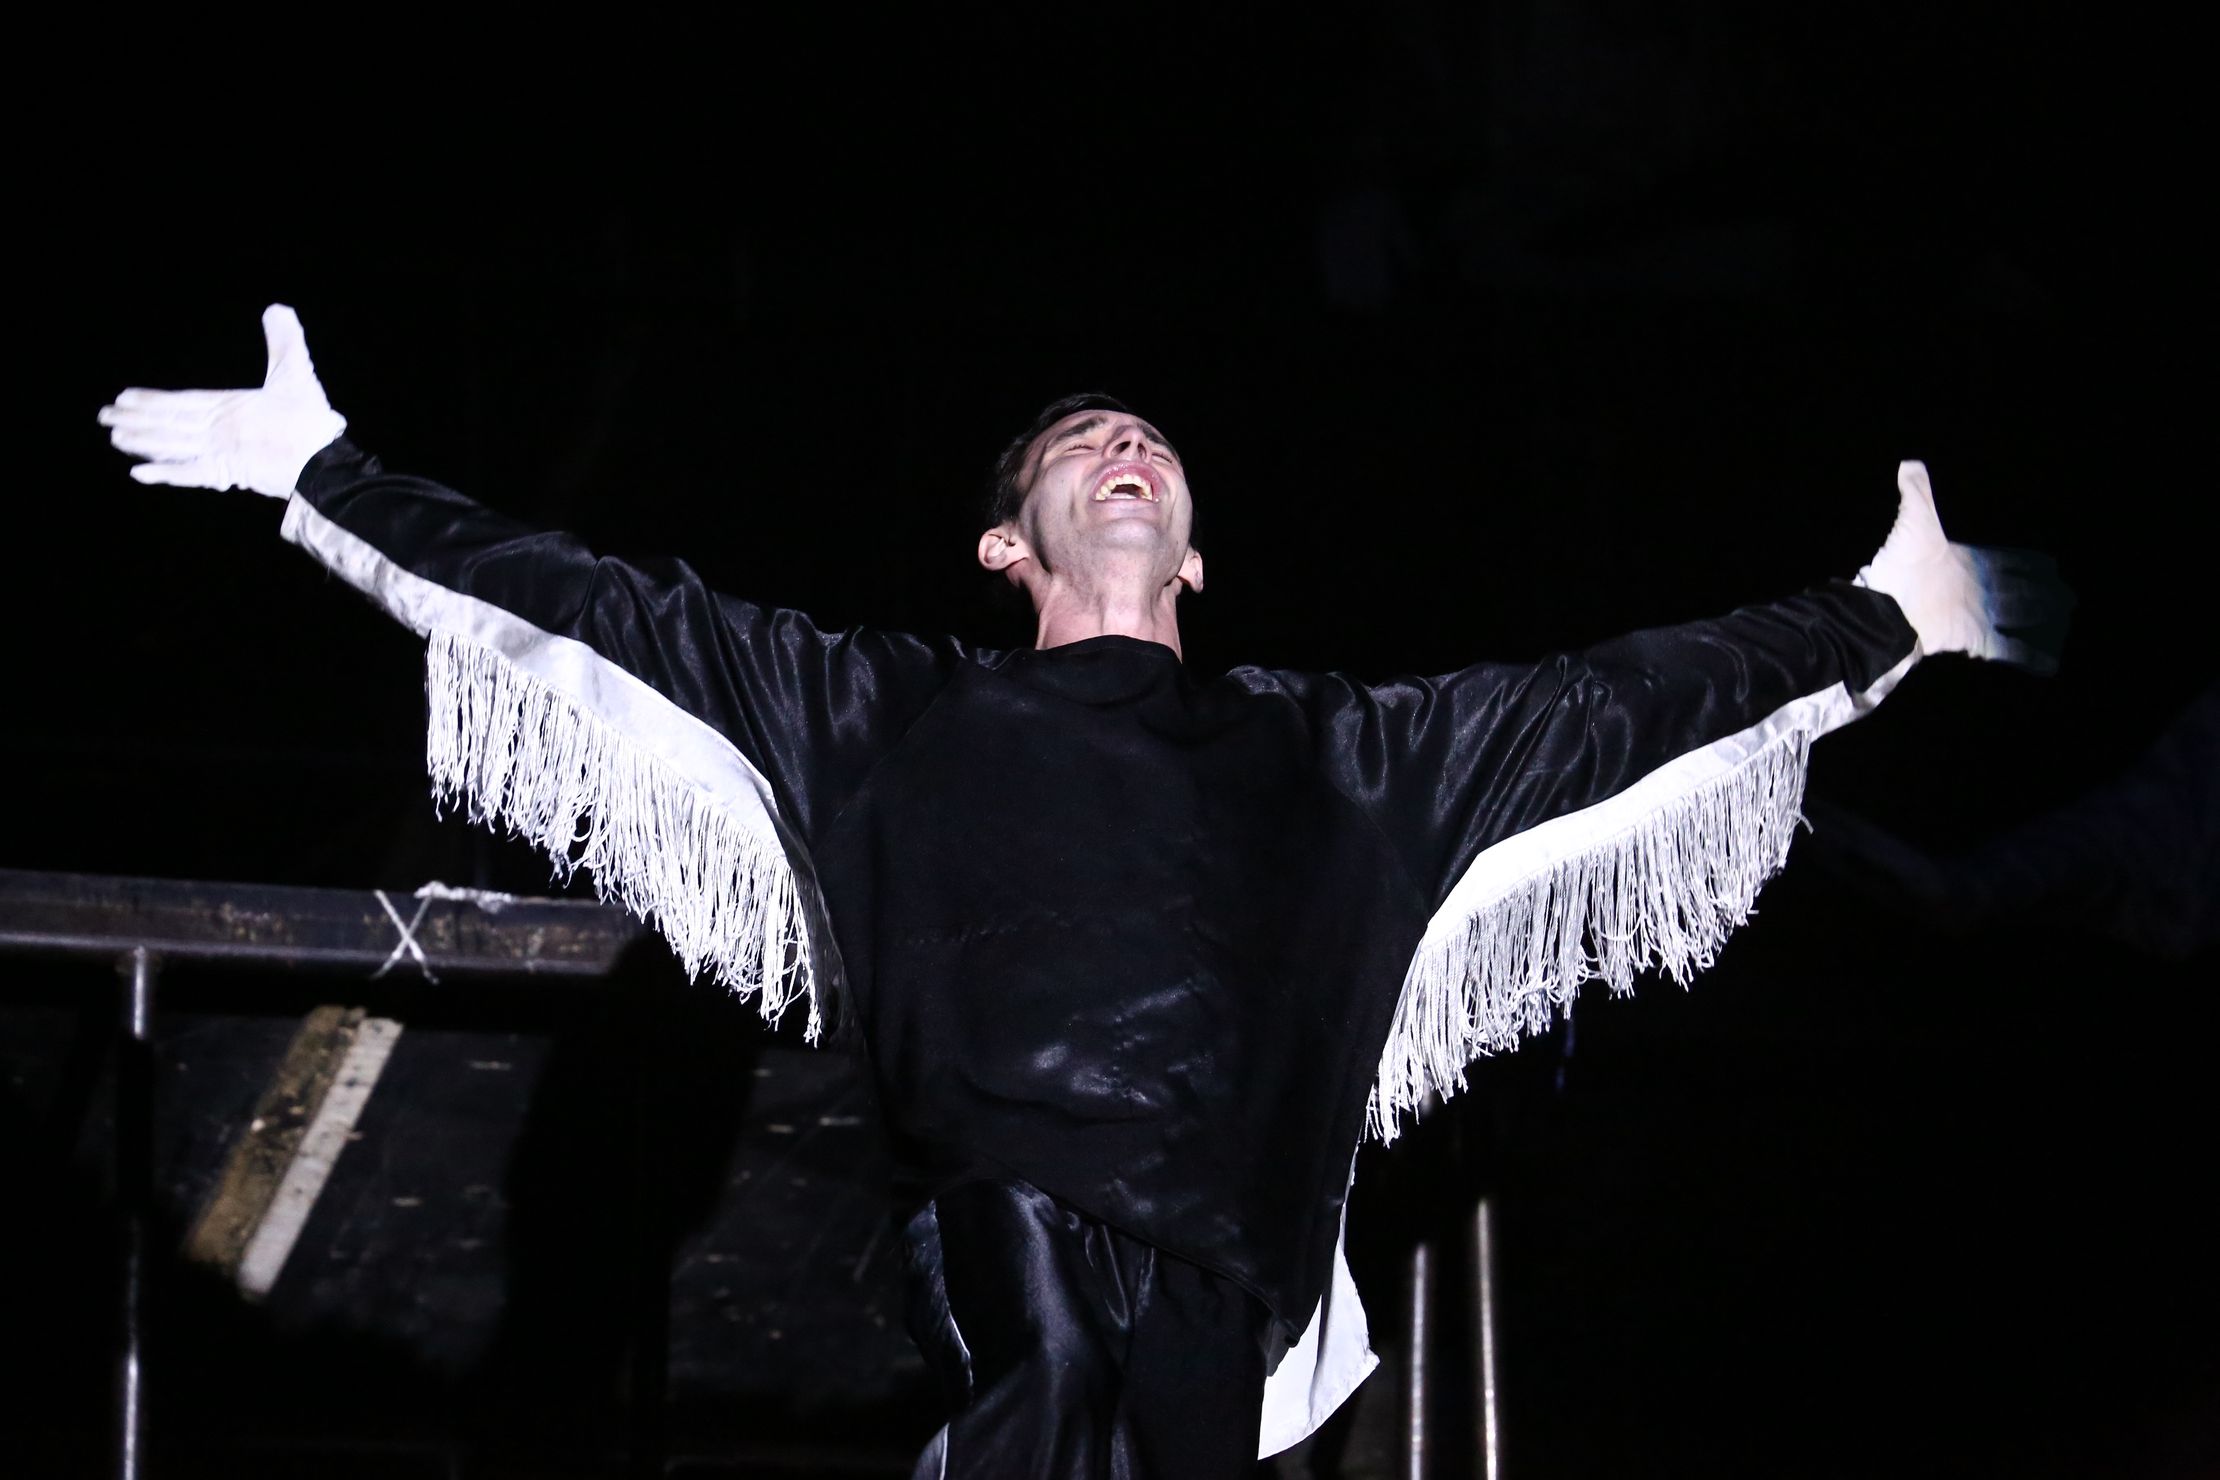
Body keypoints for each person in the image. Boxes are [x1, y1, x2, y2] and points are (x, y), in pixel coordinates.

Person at [100, 305, 2068, 1479]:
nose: (1125, 445)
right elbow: (596, 609)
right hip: (1015, 1197)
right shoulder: (883, 713)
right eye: (1077, 441)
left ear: (1193, 552)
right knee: (1047, 1378)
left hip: (1231, 1245)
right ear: (1007, 540)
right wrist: (326, 476)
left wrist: (1880, 617)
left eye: (1151, 443)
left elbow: (1624, 701)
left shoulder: (1347, 755)